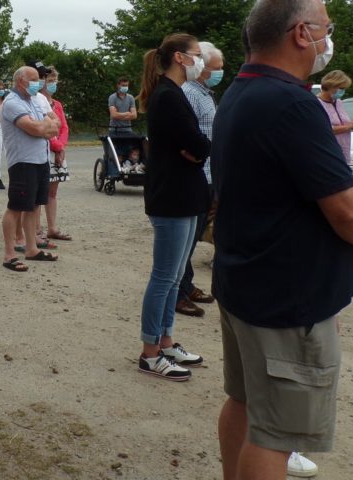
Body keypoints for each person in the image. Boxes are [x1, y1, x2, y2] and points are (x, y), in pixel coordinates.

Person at [213, 1, 353, 479]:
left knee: (244, 402)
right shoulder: (293, 104)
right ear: (302, 33)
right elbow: (347, 208)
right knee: (277, 435)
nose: (328, 38)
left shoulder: (242, 91)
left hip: (246, 283)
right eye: (326, 28)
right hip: (287, 299)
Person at [135, 33, 212, 382]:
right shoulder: (167, 96)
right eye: (197, 54)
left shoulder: (176, 93)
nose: (202, 61)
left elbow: (196, 147)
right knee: (164, 277)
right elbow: (198, 144)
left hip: (187, 194)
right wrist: (197, 149)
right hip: (172, 198)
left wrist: (196, 149)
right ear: (180, 58)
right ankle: (150, 353)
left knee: (176, 277)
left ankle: (165, 342)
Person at [175, 41, 225, 319]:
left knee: (195, 236)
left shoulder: (206, 94)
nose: (220, 72)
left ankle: (186, 283)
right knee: (188, 238)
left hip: (209, 173)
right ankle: (179, 293)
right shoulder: (190, 94)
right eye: (216, 68)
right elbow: (185, 136)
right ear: (203, 67)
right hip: (198, 174)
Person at [0, 66, 61, 273]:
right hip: (22, 162)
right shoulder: (12, 103)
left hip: (40, 159)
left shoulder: (35, 100)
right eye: (34, 79)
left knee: (34, 206)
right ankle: (9, 254)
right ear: (20, 81)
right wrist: (44, 127)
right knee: (16, 207)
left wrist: (45, 126)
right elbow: (35, 128)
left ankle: (31, 248)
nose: (39, 83)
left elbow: (56, 123)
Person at [43, 67, 72, 242]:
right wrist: (56, 146)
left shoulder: (58, 105)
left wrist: (61, 146)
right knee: (39, 192)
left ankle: (52, 228)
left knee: (52, 193)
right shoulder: (38, 102)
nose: (53, 84)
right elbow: (45, 128)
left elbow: (64, 127)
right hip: (45, 151)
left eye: (55, 81)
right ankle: (35, 229)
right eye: (49, 81)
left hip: (57, 151)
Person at [316, 70, 353, 164]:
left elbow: (342, 123)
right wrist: (349, 126)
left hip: (343, 152)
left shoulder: (338, 102)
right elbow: (325, 130)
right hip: (328, 153)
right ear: (331, 86)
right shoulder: (317, 104)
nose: (343, 91)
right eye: (341, 88)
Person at [109, 76, 139, 168]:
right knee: (116, 151)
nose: (125, 87)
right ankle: (115, 166)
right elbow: (113, 115)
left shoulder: (130, 98)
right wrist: (127, 114)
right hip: (115, 130)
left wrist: (120, 115)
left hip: (127, 129)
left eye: (126, 85)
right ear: (118, 85)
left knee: (134, 145)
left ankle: (132, 164)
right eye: (123, 85)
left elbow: (134, 115)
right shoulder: (112, 97)